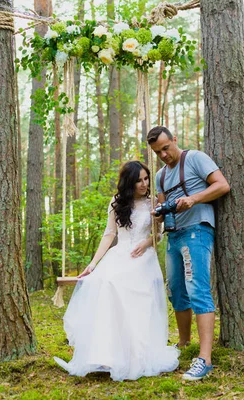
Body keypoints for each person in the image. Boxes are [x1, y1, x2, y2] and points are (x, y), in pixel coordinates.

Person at [54, 160, 180, 382]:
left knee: (123, 290)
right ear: (128, 182)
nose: (144, 184)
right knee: (104, 284)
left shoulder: (154, 201)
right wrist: (93, 264)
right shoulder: (117, 202)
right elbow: (109, 234)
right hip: (120, 254)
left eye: (146, 178)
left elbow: (159, 234)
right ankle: (105, 355)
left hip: (143, 257)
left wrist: (148, 243)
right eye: (138, 180)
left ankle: (135, 355)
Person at [147, 126, 230, 381]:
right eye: (157, 152)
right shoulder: (160, 176)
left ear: (174, 140)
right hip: (174, 234)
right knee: (176, 291)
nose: (163, 155)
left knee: (197, 289)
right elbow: (163, 206)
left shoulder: (195, 158)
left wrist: (193, 199)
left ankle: (204, 359)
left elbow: (223, 185)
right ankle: (184, 343)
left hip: (197, 230)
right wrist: (159, 214)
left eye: (165, 148)